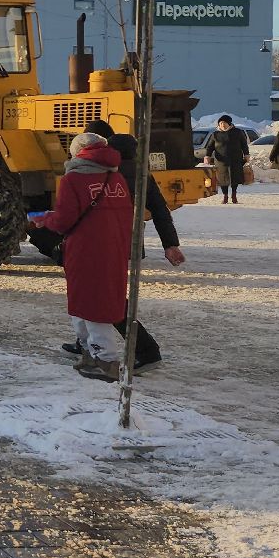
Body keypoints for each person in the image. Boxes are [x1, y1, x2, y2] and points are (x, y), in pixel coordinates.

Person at [83, 117, 187, 370]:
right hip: (129, 242)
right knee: (107, 296)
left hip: (104, 244)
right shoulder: (143, 174)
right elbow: (161, 211)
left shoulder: (104, 173)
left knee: (109, 299)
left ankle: (146, 350)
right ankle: (87, 343)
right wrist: (170, 244)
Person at [30, 133, 133, 381]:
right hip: (114, 247)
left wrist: (46, 219)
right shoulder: (116, 176)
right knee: (100, 297)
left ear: (78, 153)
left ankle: (106, 360)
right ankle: (89, 351)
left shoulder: (72, 179)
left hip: (85, 248)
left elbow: (64, 220)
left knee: (90, 301)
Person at [202, 115, 251, 204]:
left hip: (235, 159)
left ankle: (234, 195)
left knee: (234, 178)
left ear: (229, 123)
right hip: (221, 161)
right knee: (222, 179)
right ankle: (225, 196)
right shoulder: (215, 134)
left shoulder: (237, 132)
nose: (222, 125)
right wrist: (207, 156)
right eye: (220, 123)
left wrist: (246, 155)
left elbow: (244, 144)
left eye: (224, 123)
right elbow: (209, 147)